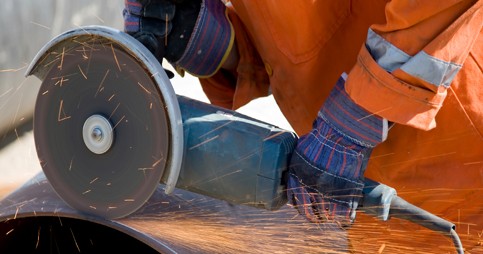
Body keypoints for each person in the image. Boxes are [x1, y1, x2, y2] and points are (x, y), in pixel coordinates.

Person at [123, 0, 483, 252]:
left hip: (458, 165)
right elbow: (301, 37)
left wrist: (357, 117)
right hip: (366, 207)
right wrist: (219, 45)